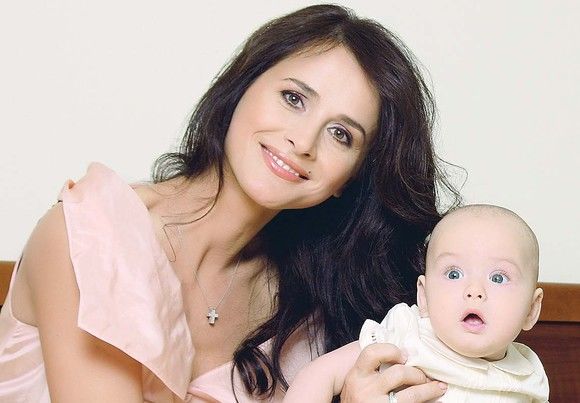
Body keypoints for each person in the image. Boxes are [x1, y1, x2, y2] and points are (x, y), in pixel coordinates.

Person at [0, 4, 459, 402]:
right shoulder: (89, 236)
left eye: (341, 134)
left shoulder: (307, 316)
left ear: (351, 179)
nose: (303, 142)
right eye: (294, 98)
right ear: (242, 86)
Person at [284, 204, 549, 402]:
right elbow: (320, 374)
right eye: (453, 274)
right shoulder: (406, 334)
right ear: (423, 295)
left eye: (498, 277)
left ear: (531, 309)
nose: (474, 291)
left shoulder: (529, 374)